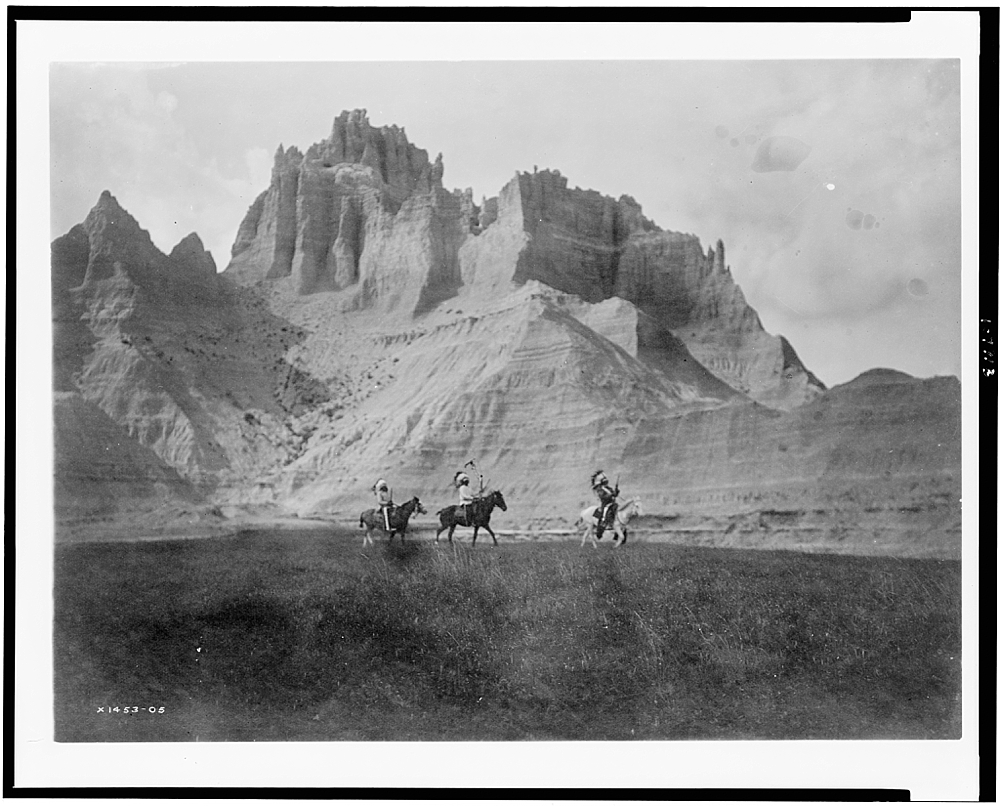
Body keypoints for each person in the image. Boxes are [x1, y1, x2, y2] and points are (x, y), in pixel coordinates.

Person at [591, 469, 619, 540]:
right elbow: (603, 497)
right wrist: (611, 495)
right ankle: (603, 522)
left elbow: (614, 495)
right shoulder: (600, 490)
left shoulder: (609, 488)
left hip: (612, 503)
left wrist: (616, 491)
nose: (606, 483)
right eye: (605, 482)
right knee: (605, 512)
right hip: (605, 504)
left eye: (606, 482)